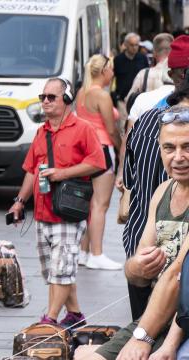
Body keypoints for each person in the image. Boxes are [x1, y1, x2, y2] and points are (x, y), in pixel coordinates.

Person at [74, 99, 189, 360]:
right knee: (84, 357)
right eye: (169, 148)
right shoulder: (162, 192)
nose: (178, 157)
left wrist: (144, 338)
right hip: (157, 316)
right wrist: (138, 265)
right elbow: (136, 274)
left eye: (187, 147)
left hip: (181, 323)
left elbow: (175, 276)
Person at [8, 78, 105, 328]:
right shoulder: (42, 132)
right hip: (43, 214)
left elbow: (97, 162)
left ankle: (49, 319)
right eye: (43, 97)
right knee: (55, 272)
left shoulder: (83, 128)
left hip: (69, 213)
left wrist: (62, 173)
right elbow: (31, 170)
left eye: (52, 97)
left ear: (67, 99)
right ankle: (74, 315)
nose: (46, 102)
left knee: (61, 270)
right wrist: (19, 202)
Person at [120, 35, 189, 321]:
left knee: (141, 332)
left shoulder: (145, 117)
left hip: (139, 247)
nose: (178, 155)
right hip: (172, 260)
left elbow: (128, 179)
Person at [75, 55, 123, 270]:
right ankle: (97, 253)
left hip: (83, 151)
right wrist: (122, 148)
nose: (113, 73)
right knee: (100, 205)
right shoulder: (102, 96)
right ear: (103, 71)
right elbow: (111, 129)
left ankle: (83, 253)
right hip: (102, 150)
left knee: (87, 204)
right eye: (111, 69)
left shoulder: (81, 93)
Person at [114, 33, 149, 128]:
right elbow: (113, 78)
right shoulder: (118, 60)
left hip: (139, 100)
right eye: (131, 45)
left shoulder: (142, 58)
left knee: (139, 127)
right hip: (123, 101)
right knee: (122, 127)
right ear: (125, 44)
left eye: (136, 45)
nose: (134, 47)